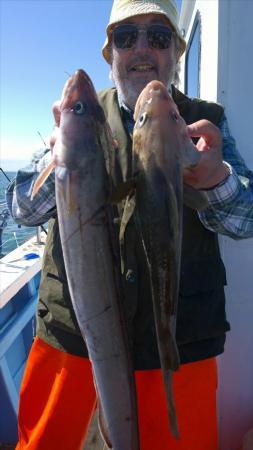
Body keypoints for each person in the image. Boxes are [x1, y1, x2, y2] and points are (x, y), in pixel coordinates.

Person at [6, 1, 253, 449]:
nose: (141, 48)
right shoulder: (78, 119)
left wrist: (215, 179)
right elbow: (21, 210)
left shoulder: (207, 121)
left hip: (178, 353)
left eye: (158, 37)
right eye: (126, 37)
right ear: (110, 53)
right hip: (70, 346)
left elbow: (246, 219)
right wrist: (59, 158)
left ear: (176, 52)